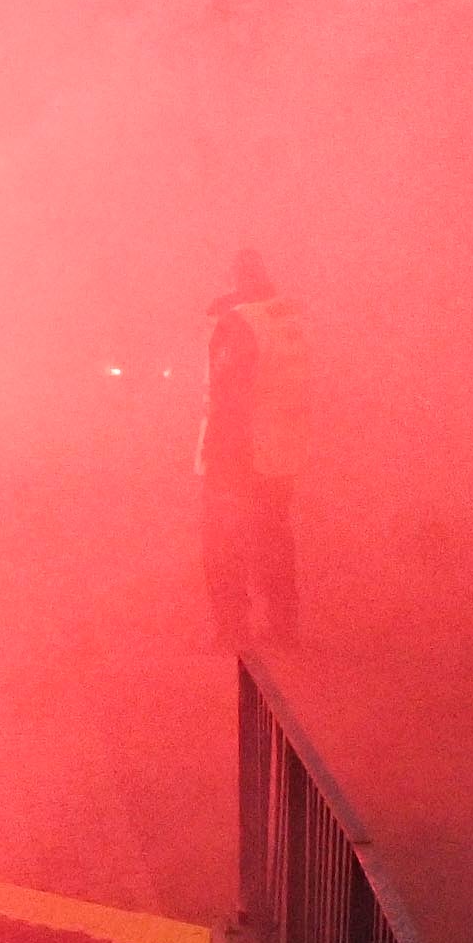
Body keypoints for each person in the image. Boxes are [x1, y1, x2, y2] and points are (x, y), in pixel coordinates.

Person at [203, 253, 304, 649]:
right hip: (281, 451)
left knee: (224, 542)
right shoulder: (287, 321)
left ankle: (231, 629)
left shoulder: (240, 325)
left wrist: (216, 453)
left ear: (236, 279)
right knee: (274, 539)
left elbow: (229, 392)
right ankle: (284, 627)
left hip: (239, 450)